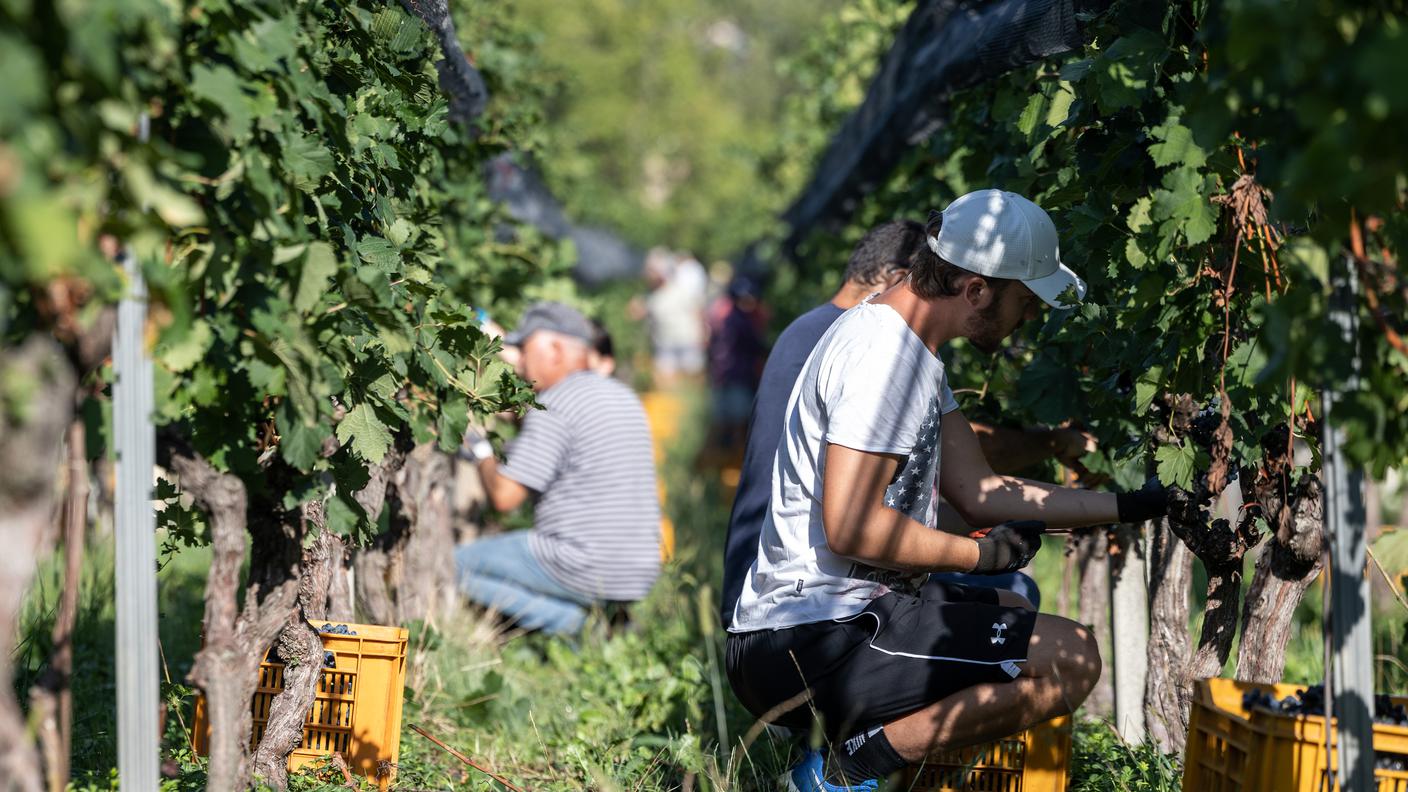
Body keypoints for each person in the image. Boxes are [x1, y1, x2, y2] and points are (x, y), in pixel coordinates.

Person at [725, 190, 1169, 790]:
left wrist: (1129, 506)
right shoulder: (884, 360)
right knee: (1071, 658)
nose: (1028, 318)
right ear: (977, 289)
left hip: (844, 617)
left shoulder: (912, 351)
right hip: (812, 636)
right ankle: (843, 771)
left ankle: (873, 760)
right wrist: (980, 556)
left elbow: (981, 491)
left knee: (1015, 609)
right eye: (1025, 301)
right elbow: (853, 528)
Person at [719, 220, 1094, 629]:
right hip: (800, 594)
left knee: (1014, 604)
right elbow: (947, 463)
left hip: (808, 577)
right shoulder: (873, 347)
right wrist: (1051, 446)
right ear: (901, 276)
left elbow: (935, 484)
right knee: (1023, 610)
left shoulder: (837, 332)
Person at [455, 301, 661, 635]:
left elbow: (505, 497)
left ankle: (574, 626)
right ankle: (608, 620)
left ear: (554, 350)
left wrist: (480, 449)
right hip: (638, 570)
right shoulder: (622, 396)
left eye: (525, 351)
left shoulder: (555, 405)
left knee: (453, 566)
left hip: (583, 563)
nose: (520, 364)